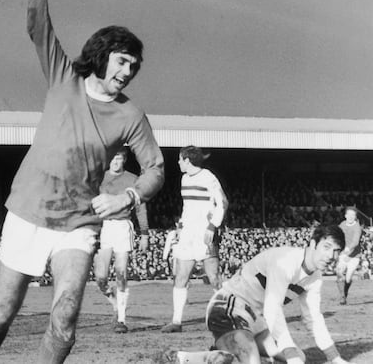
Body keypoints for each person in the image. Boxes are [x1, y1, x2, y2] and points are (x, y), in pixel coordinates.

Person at [0, 0, 165, 364]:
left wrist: (131, 198)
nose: (126, 72)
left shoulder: (132, 115)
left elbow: (156, 168)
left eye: (133, 67)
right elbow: (37, 26)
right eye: (122, 61)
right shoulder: (64, 78)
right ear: (103, 56)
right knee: (1, 315)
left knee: (65, 319)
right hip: (27, 211)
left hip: (78, 224)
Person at [164, 225, 355, 364]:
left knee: (300, 356)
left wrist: (335, 358)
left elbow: (313, 318)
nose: (331, 256)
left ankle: (189, 358)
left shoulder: (315, 277)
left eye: (336, 251)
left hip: (255, 319)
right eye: (327, 247)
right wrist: (290, 354)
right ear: (313, 244)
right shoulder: (286, 260)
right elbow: (273, 309)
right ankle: (236, 351)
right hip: (228, 306)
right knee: (261, 358)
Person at [162, 146, 228, 333]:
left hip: (205, 234)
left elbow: (222, 202)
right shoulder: (184, 179)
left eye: (180, 159)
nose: (178, 162)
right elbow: (188, 206)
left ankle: (226, 314)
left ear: (187, 161)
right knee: (181, 277)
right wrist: (181, 225)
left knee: (214, 278)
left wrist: (212, 226)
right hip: (188, 234)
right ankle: (176, 321)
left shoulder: (208, 177)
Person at [93, 147, 150, 333]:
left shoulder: (132, 179)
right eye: (113, 159)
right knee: (101, 277)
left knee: (121, 271)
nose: (116, 162)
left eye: (119, 159)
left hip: (123, 226)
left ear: (124, 160)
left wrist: (145, 233)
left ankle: (122, 319)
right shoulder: (99, 178)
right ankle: (115, 303)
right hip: (104, 227)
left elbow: (141, 207)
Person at [336, 206, 363, 305]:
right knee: (339, 273)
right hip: (343, 253)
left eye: (353, 215)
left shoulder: (357, 227)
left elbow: (355, 242)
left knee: (348, 278)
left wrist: (348, 251)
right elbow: (337, 235)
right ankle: (342, 297)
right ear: (345, 215)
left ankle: (345, 292)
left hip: (354, 255)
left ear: (355, 216)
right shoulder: (342, 224)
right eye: (349, 214)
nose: (351, 217)